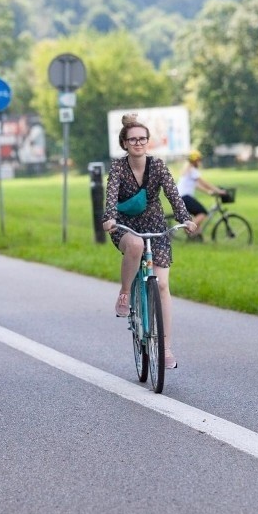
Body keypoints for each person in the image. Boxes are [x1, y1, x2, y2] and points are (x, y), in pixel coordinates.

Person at [102, 113, 197, 369]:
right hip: (125, 224)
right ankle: (124, 294)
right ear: (125, 143)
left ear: (148, 141)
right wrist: (109, 219)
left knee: (163, 285)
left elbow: (173, 195)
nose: (138, 143)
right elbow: (111, 196)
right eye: (133, 139)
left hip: (155, 225)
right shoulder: (118, 168)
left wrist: (185, 219)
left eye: (142, 138)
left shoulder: (158, 166)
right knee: (134, 245)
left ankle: (165, 349)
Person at [176, 150, 226, 239]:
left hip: (180, 198)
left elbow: (197, 186)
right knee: (203, 213)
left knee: (198, 214)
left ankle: (196, 237)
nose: (200, 162)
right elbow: (204, 183)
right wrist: (219, 191)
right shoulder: (192, 170)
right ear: (195, 160)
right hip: (185, 197)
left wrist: (209, 192)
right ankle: (188, 228)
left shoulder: (187, 170)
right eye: (199, 160)